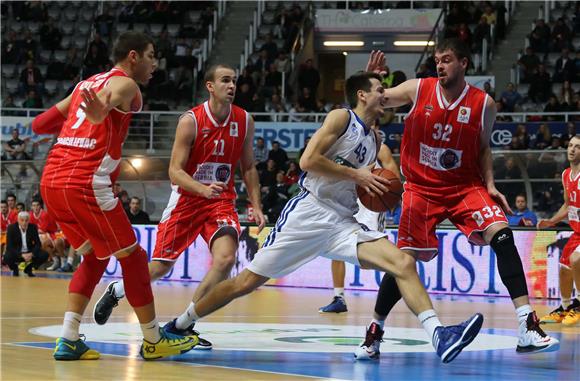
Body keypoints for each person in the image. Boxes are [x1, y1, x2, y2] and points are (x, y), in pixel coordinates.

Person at [157, 71, 486, 364]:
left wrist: (368, 184)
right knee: (245, 283)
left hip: (342, 223)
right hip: (308, 214)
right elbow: (307, 160)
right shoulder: (340, 118)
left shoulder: (374, 139)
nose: (383, 95)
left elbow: (365, 181)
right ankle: (180, 324)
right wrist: (357, 176)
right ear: (361, 95)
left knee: (402, 263)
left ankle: (439, 334)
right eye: (377, 89)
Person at [357, 39, 559, 360]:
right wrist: (372, 78)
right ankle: (374, 331)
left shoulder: (484, 104)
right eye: (437, 60)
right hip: (421, 187)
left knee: (503, 236)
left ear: (464, 63)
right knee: (404, 262)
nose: (440, 65)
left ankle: (527, 325)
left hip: (465, 186)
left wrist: (490, 184)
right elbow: (375, 101)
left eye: (447, 59)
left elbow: (482, 148)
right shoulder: (417, 89)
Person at [31, 31, 197, 361]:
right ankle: (153, 339)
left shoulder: (85, 84)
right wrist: (96, 116)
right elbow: (104, 107)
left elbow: (40, 124)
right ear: (133, 56)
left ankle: (68, 337)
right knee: (133, 258)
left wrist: (76, 125)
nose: (155, 64)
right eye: (152, 56)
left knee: (95, 257)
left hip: (52, 180)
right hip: (84, 182)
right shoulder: (127, 85)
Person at [93, 64, 266, 349]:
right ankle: (117, 289)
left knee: (225, 260)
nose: (232, 86)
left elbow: (248, 167)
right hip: (187, 199)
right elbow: (175, 171)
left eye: (234, 81)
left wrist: (256, 205)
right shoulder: (191, 120)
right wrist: (201, 189)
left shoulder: (245, 120)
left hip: (220, 201)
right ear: (210, 86)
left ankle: (183, 324)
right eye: (225, 80)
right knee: (160, 267)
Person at [319, 122, 400, 314]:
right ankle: (339, 298)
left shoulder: (382, 149)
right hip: (349, 202)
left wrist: (381, 191)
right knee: (335, 248)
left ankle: (399, 274)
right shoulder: (349, 145)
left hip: (371, 205)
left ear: (377, 127)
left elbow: (395, 178)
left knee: (368, 259)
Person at [537, 135, 580, 326]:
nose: (572, 149)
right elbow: (567, 204)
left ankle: (578, 305)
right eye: (570, 145)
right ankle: (565, 307)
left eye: (577, 147)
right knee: (564, 268)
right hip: (577, 232)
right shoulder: (565, 175)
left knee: (576, 260)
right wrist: (551, 221)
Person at [3, 211, 49, 277]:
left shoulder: (33, 227)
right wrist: (21, 255)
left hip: (29, 252)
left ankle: (29, 268)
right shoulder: (11, 228)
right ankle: (15, 269)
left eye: (26, 220)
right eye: (22, 220)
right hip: (18, 252)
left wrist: (32, 253)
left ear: (29, 220)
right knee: (6, 257)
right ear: (18, 220)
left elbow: (38, 244)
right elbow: (9, 246)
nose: (24, 222)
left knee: (45, 255)